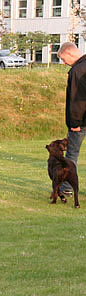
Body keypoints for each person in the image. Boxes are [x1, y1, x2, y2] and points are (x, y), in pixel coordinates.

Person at [57, 42, 86, 197]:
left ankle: (67, 188)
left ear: (70, 53)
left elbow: (76, 100)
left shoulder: (77, 71)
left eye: (63, 59)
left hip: (81, 122)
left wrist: (74, 123)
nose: (64, 63)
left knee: (72, 155)